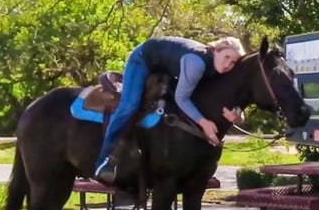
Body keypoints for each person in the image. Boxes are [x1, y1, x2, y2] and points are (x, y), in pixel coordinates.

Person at [94, 35, 246, 183]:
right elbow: (182, 98)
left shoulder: (218, 68)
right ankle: (103, 160)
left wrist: (238, 113)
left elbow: (224, 96)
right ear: (217, 50)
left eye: (233, 62)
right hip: (143, 58)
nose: (228, 65)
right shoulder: (196, 63)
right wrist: (204, 122)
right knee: (129, 106)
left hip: (166, 67)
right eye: (226, 57)